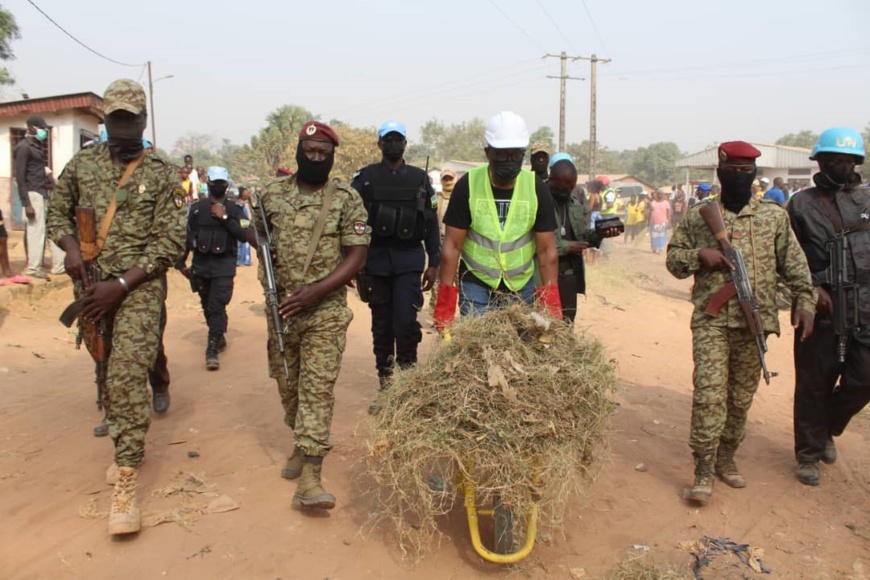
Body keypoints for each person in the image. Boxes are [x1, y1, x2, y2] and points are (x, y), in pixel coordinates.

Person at [47, 79, 187, 535]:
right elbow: (57, 212)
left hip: (140, 287)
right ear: (105, 120)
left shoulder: (163, 171)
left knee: (128, 371)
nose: (122, 127)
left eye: (130, 119)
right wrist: (70, 248)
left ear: (143, 121)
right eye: (115, 119)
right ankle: (130, 435)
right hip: (90, 286)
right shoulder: (82, 164)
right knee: (105, 366)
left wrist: (123, 283)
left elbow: (170, 241)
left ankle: (125, 479)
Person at [666, 140, 815, 505]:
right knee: (709, 395)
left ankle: (726, 458)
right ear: (720, 172)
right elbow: (673, 261)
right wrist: (700, 255)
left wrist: (805, 300)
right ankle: (702, 470)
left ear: (755, 175)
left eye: (746, 172)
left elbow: (794, 266)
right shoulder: (699, 216)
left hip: (756, 321)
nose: (739, 177)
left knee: (740, 398)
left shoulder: (773, 217)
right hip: (712, 320)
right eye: (732, 171)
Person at [253, 121, 369, 509]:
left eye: (324, 152)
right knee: (290, 385)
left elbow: (356, 255)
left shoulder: (347, 199)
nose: (316, 158)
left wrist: (316, 291)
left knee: (317, 389)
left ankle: (311, 477)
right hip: (282, 310)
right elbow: (262, 239)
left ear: (332, 156)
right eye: (310, 151)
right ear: (299, 152)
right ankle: (300, 445)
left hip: (326, 309)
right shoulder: (269, 195)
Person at [786, 127, 870, 487]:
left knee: (863, 379)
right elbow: (788, 257)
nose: (842, 165)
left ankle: (827, 429)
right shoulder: (801, 204)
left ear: (858, 162)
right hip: (819, 306)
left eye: (848, 159)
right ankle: (808, 454)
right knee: (813, 384)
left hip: (866, 304)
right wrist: (810, 288)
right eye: (835, 158)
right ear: (820, 161)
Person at [433, 111, 561, 329]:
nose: (509, 161)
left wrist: (551, 304)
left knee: (518, 350)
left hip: (520, 286)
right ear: (488, 152)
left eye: (516, 155)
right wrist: (445, 302)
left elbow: (547, 251)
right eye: (502, 155)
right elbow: (452, 246)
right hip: (476, 282)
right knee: (478, 348)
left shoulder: (536, 187)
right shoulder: (468, 185)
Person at [351, 120, 440, 404]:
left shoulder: (419, 178)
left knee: (405, 323)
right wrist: (354, 259)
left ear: (405, 143)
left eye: (397, 139)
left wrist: (434, 262)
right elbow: (354, 222)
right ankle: (387, 386)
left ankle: (409, 382)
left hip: (408, 261)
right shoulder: (364, 178)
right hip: (375, 261)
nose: (393, 144)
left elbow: (430, 223)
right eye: (387, 139)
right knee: (382, 327)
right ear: (379, 144)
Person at [175, 166, 249, 370]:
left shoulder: (235, 209)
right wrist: (181, 262)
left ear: (226, 185)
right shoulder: (198, 208)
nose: (218, 186)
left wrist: (224, 218)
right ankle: (218, 334)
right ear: (208, 183)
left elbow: (245, 235)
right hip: (201, 266)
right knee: (207, 306)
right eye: (214, 183)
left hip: (224, 266)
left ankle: (212, 349)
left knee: (217, 306)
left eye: (221, 184)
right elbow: (188, 237)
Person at [548, 153, 619, 323]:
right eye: (561, 186)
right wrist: (566, 246)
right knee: (546, 322)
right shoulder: (541, 202)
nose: (566, 191)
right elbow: (536, 242)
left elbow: (584, 237)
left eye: (570, 186)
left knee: (567, 321)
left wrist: (600, 234)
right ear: (551, 180)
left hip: (571, 275)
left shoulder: (574, 205)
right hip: (547, 274)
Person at [14, 115, 56, 280]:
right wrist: (26, 203)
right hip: (32, 194)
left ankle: (36, 265)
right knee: (35, 232)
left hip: (40, 192)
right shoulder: (23, 148)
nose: (45, 132)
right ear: (32, 128)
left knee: (41, 232)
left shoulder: (36, 147)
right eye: (42, 129)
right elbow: (20, 176)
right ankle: (33, 268)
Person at [648, 189, 671, 254]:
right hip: (653, 222)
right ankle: (654, 248)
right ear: (657, 195)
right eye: (658, 194)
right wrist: (648, 221)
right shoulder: (653, 202)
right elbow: (650, 212)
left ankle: (661, 248)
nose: (660, 195)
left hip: (663, 222)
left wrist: (669, 222)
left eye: (661, 194)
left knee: (661, 236)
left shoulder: (666, 203)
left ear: (663, 195)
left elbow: (668, 213)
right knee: (654, 236)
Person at [235, 186, 253, 266]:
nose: (248, 193)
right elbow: (242, 218)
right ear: (242, 194)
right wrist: (246, 227)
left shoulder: (242, 204)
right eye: (246, 192)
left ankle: (242, 260)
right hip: (241, 227)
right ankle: (242, 260)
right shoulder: (240, 205)